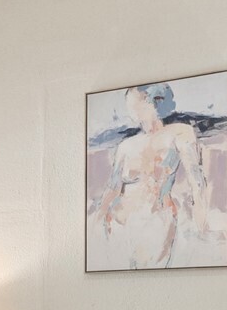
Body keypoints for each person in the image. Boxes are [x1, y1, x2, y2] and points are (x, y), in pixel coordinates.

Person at [90, 83, 215, 268]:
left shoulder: (179, 133)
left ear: (155, 100)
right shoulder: (125, 146)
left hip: (157, 221)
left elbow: (196, 179)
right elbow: (113, 188)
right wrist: (96, 223)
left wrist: (202, 222)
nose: (131, 108)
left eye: (137, 100)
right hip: (118, 223)